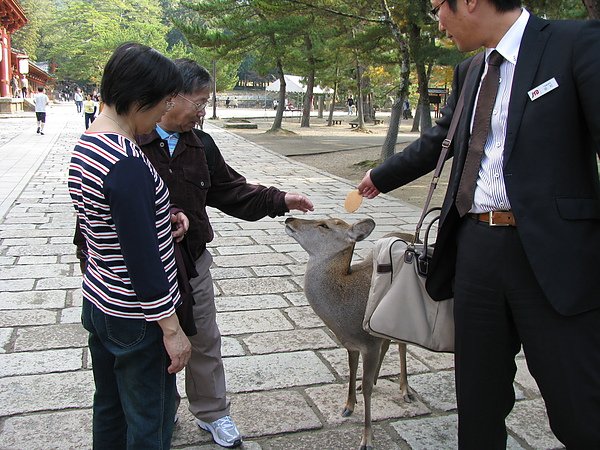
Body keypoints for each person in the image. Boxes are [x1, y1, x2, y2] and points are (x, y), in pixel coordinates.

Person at [357, 1, 600, 448]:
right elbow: (440, 140)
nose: (438, 22)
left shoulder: (575, 43)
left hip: (555, 254)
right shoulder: (471, 70)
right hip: (475, 249)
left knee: (578, 407)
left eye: (437, 9)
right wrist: (380, 176)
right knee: (478, 399)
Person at [134, 59, 314, 448]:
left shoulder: (201, 144)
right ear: (171, 96)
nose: (202, 111)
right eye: (199, 102)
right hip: (145, 271)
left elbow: (231, 190)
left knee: (203, 342)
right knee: (150, 347)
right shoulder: (133, 142)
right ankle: (158, 417)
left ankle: (213, 412)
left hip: (193, 265)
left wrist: (280, 199)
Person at [68, 42, 192, 449]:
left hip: (99, 300)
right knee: (149, 418)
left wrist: (160, 217)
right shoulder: (126, 160)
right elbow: (143, 260)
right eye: (163, 103)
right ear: (139, 99)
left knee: (109, 407)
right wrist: (171, 331)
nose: (163, 113)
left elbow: (105, 222)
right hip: (137, 317)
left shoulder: (88, 144)